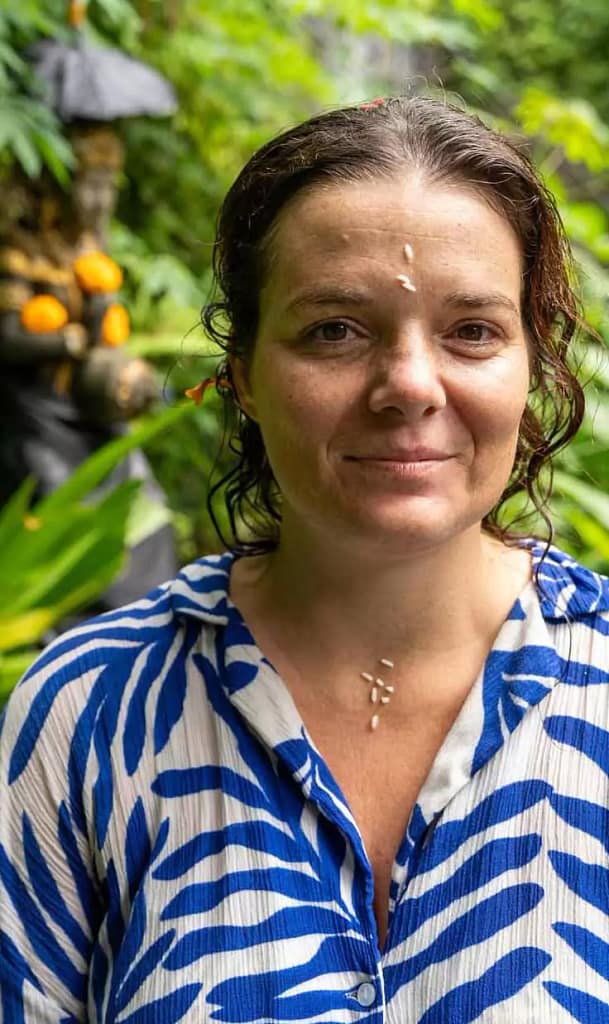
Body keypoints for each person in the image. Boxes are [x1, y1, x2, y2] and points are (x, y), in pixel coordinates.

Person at [0, 95, 607, 1024]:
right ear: (242, 370)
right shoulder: (88, 715)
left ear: (533, 365)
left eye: (472, 331)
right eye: (334, 329)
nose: (409, 384)